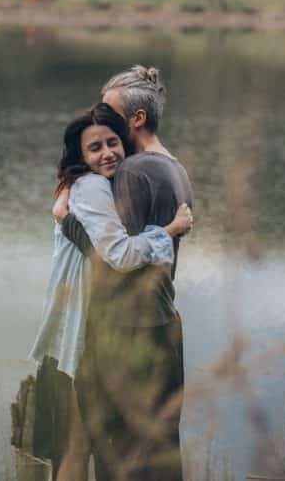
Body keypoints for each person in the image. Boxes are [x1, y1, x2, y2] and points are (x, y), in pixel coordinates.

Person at [29, 102, 193, 481]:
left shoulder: (95, 185)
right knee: (79, 442)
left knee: (81, 441)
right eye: (95, 148)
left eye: (112, 143)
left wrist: (66, 218)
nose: (107, 153)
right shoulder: (90, 188)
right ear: (81, 156)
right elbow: (118, 255)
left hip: (83, 323)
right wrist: (171, 229)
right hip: (83, 327)